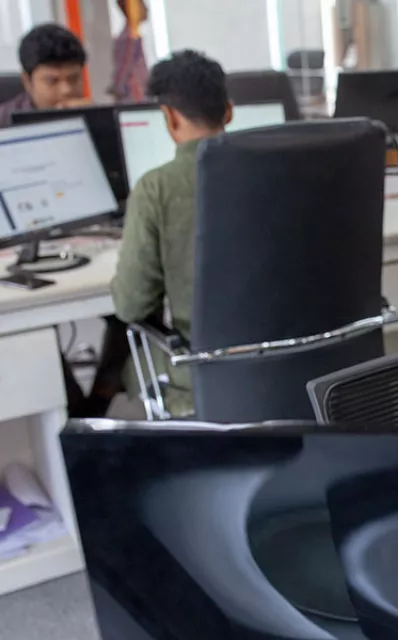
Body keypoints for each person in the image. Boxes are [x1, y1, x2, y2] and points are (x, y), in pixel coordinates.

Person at [111, 50, 232, 417]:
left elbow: (131, 304)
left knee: (122, 368)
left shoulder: (156, 189)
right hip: (294, 369)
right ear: (228, 112)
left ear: (168, 116)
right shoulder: (284, 173)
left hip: (199, 379)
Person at [0, 23, 89, 127]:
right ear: (27, 82)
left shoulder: (92, 116)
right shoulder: (4, 123)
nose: (66, 90)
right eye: (52, 81)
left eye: (74, 79)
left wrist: (96, 120)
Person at [110, 0, 150, 103]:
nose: (146, 9)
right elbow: (123, 69)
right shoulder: (127, 38)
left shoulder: (132, 36)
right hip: (134, 97)